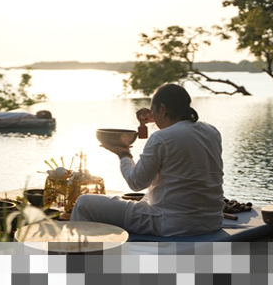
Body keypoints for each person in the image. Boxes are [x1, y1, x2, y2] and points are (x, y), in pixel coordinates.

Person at [71, 83, 224, 237]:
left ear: (162, 109)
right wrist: (159, 117)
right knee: (146, 197)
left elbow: (136, 183)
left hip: (171, 223)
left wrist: (123, 154)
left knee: (85, 203)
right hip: (211, 221)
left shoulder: (161, 138)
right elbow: (181, 139)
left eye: (153, 110)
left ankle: (80, 251)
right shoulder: (211, 131)